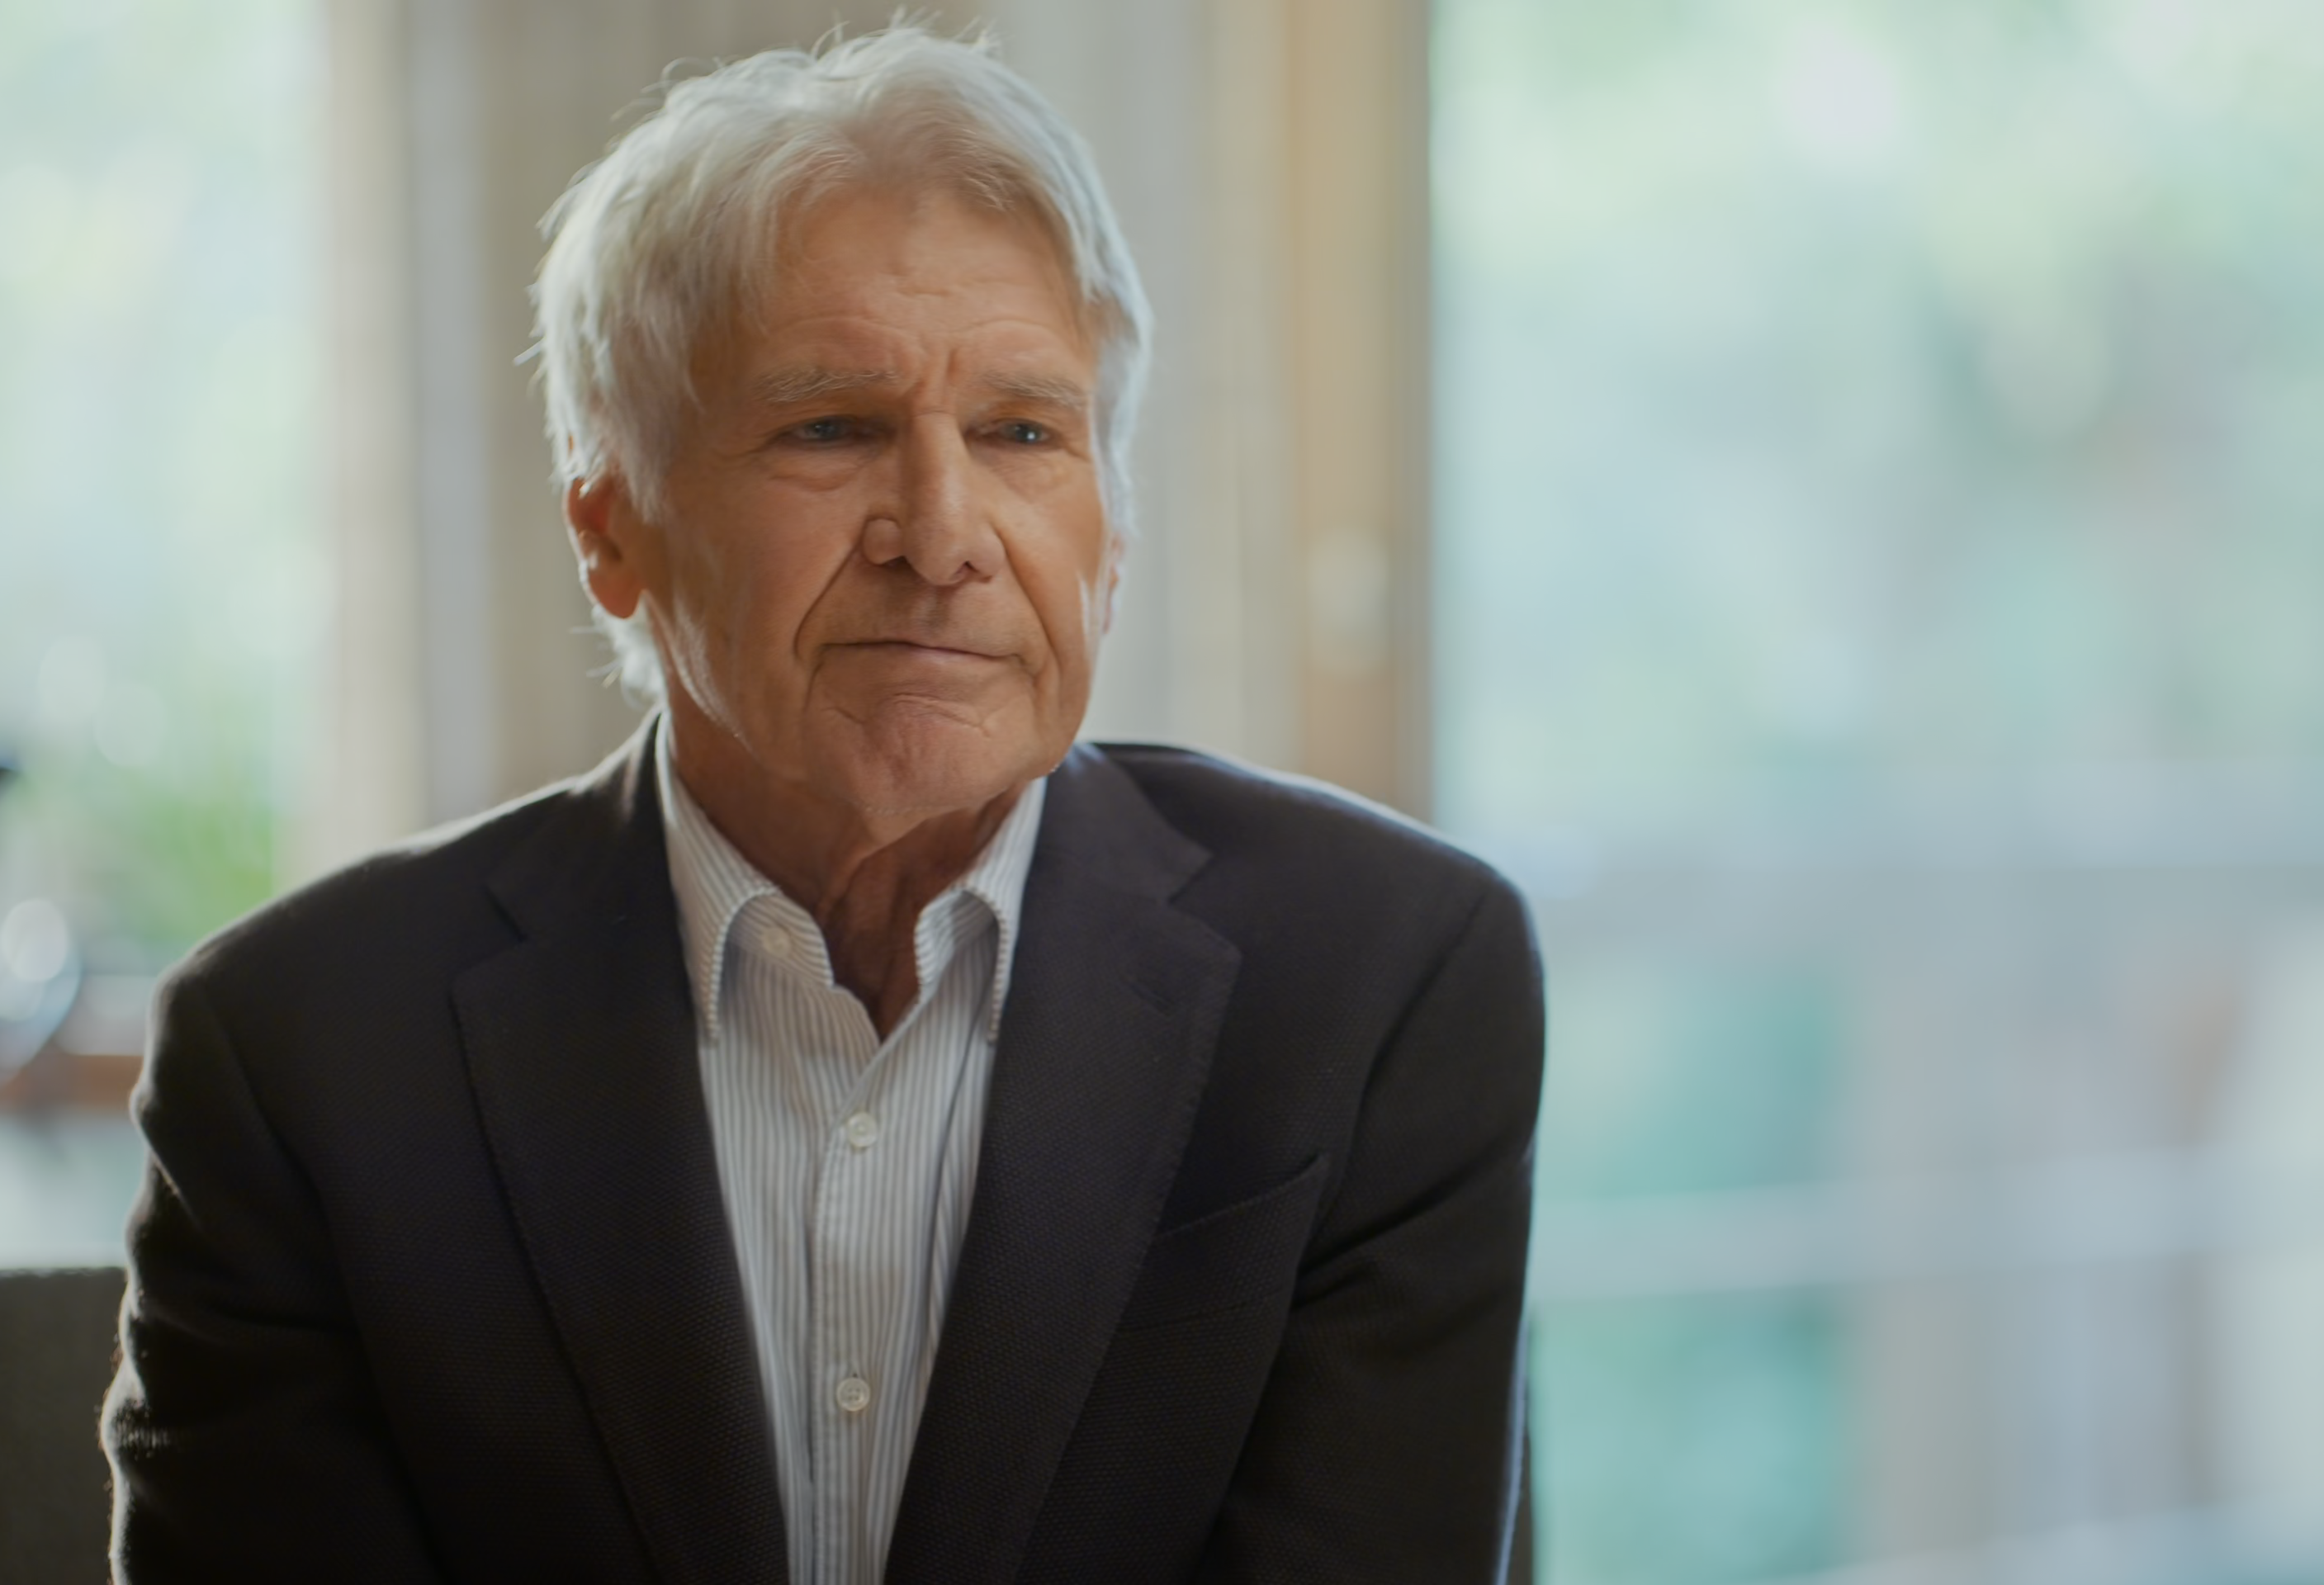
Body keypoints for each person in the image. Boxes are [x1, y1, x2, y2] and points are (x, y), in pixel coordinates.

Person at [102, 24, 1541, 1583]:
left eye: (1023, 433)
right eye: (832, 428)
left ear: (1114, 532)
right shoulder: (303, 1054)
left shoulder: (1383, 975)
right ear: (611, 531)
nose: (943, 533)